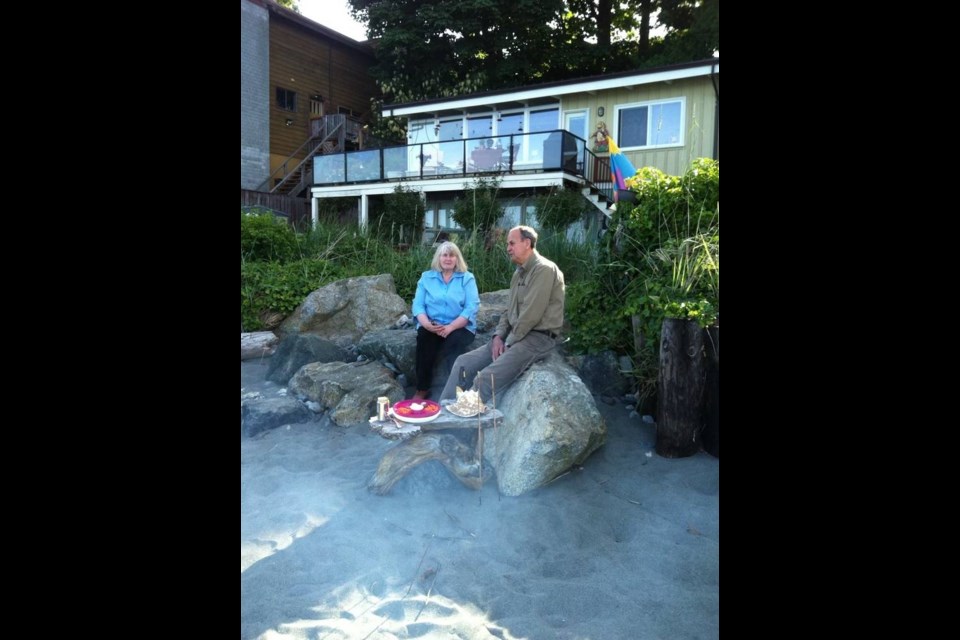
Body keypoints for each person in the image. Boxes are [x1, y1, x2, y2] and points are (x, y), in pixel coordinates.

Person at [440, 225, 565, 404]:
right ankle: (441, 413)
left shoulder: (544, 269)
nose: (508, 248)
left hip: (537, 338)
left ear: (527, 243)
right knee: (462, 363)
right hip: (516, 335)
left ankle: (460, 423)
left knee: (485, 379)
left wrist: (508, 342)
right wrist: (498, 336)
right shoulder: (518, 273)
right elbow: (508, 311)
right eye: (508, 244)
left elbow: (531, 315)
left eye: (512, 243)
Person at [411, 241, 480, 400]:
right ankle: (422, 389)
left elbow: (471, 307)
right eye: (444, 255)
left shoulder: (467, 278)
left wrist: (450, 327)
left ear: (457, 258)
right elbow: (418, 304)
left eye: (452, 255)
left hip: (460, 326)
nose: (448, 258)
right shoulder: (426, 278)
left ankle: (458, 390)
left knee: (453, 346)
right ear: (439, 258)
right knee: (423, 341)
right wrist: (426, 324)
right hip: (432, 325)